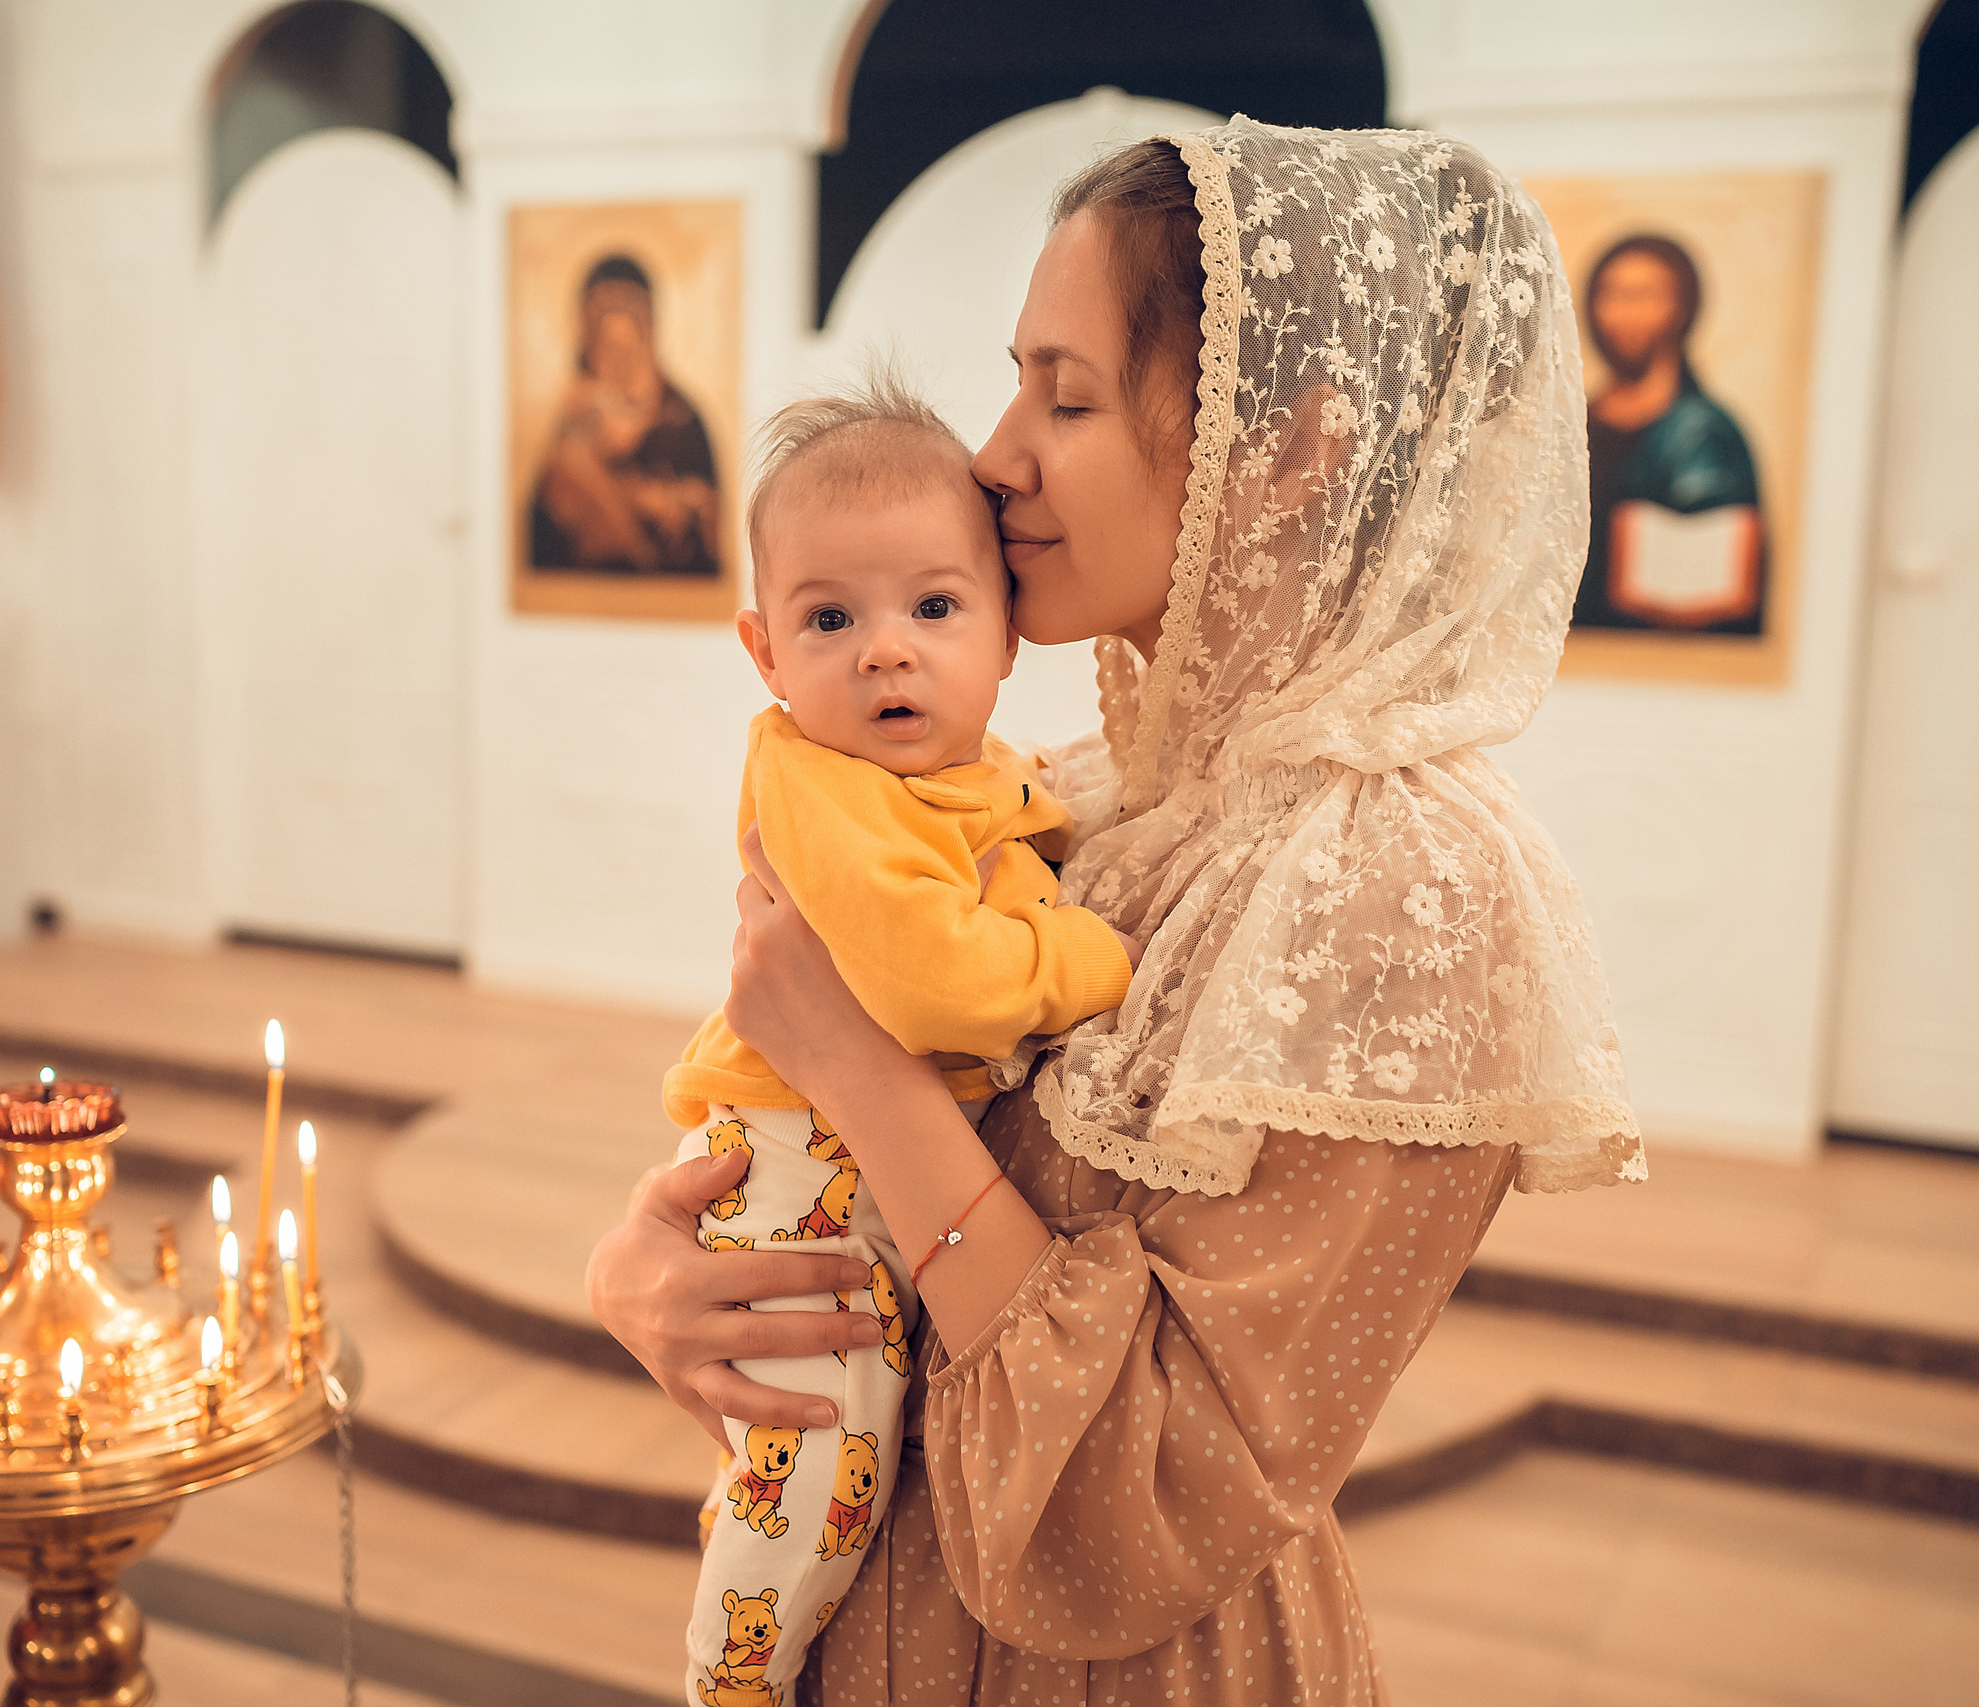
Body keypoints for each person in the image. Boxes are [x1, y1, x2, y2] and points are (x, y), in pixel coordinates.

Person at [589, 117, 1644, 1705]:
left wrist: (856, 1060)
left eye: (1064, 395)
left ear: (1291, 446)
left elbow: (1127, 1503)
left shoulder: (1410, 888)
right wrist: (661, 1270)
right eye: (1016, 382)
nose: (995, 455)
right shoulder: (1090, 791)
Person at [667, 377, 1139, 1705]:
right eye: (831, 619)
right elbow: (941, 987)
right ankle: (729, 1675)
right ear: (766, 652)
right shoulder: (821, 784)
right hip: (794, 1168)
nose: (886, 651)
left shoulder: (977, 772)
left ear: (1006, 632)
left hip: (862, 1154)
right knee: (825, 1435)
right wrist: (1095, 957)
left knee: (819, 1436)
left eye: (933, 608)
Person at [1572, 233, 1768, 632]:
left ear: (1682, 308)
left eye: (1644, 296)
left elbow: (1726, 589)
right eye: (1611, 295)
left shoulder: (1704, 432)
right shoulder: (1572, 424)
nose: (1624, 314)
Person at [529, 253, 723, 577]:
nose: (618, 363)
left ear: (647, 341)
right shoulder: (575, 421)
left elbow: (703, 538)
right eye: (607, 347)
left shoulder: (681, 421)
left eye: (628, 349)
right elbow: (545, 537)